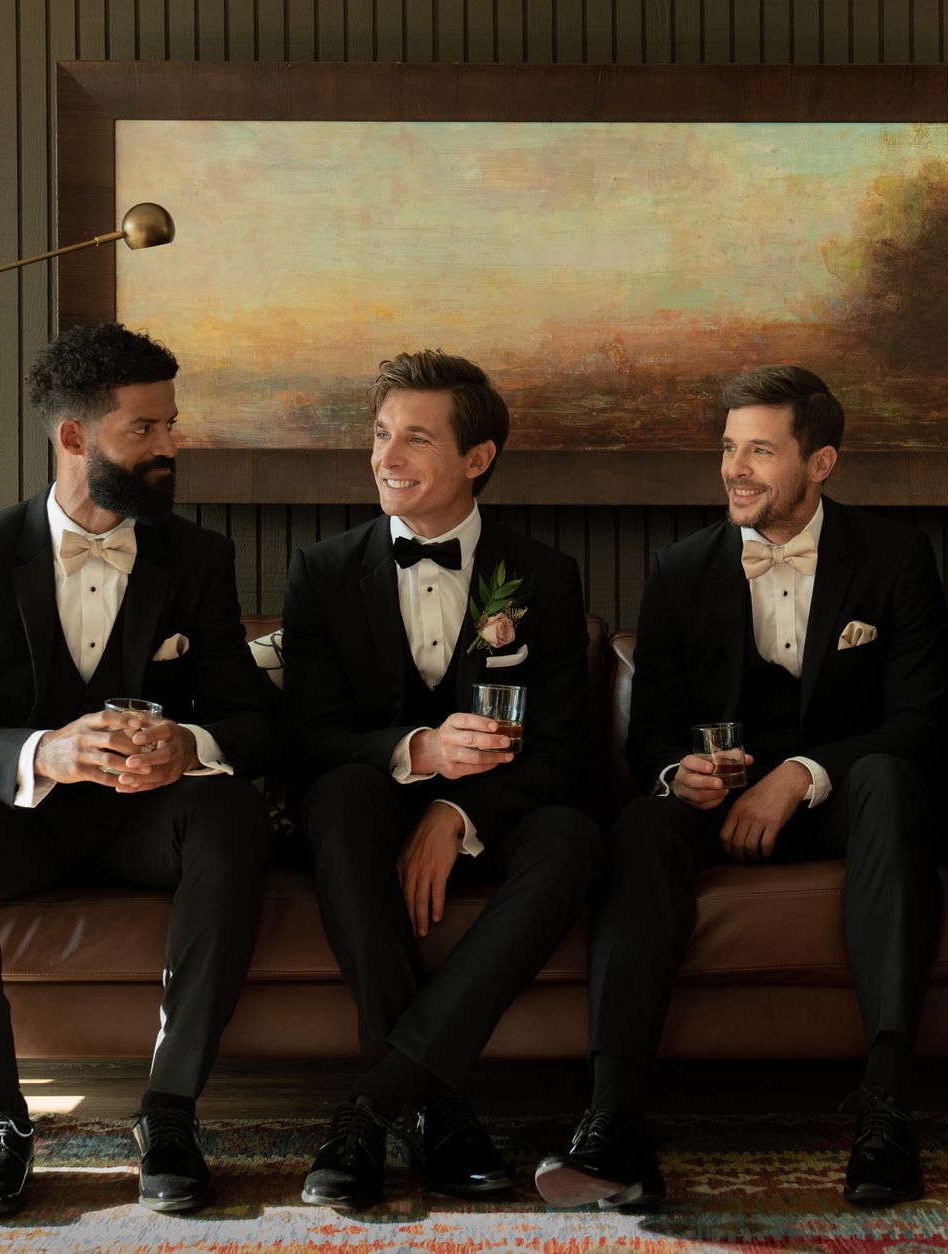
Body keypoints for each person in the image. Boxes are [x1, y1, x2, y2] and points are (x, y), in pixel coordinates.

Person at [533, 365, 948, 1210]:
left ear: (822, 462)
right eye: (729, 447)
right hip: (715, 805)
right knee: (641, 831)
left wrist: (798, 776)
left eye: (761, 449)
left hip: (843, 805)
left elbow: (920, 721)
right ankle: (612, 1121)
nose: (735, 468)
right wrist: (674, 774)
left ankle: (885, 1109)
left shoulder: (896, 556)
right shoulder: (681, 569)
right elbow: (651, 732)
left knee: (894, 782)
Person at [0, 322, 277, 1217]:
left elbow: (254, 721)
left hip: (150, 825)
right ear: (76, 438)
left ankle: (170, 1113)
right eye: (147, 429)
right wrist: (41, 751)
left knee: (234, 813)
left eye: (171, 425)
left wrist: (192, 745)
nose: (171, 445)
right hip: (19, 827)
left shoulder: (198, 559)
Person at [282, 350, 602, 1211]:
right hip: (369, 798)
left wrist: (455, 811)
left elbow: (564, 754)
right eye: (382, 435)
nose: (388, 456)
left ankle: (374, 1104)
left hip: (499, 813)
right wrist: (420, 757)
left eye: (416, 438)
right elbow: (310, 743)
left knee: (575, 834)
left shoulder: (546, 576)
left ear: (477, 458)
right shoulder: (319, 573)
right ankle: (440, 1106)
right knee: (341, 798)